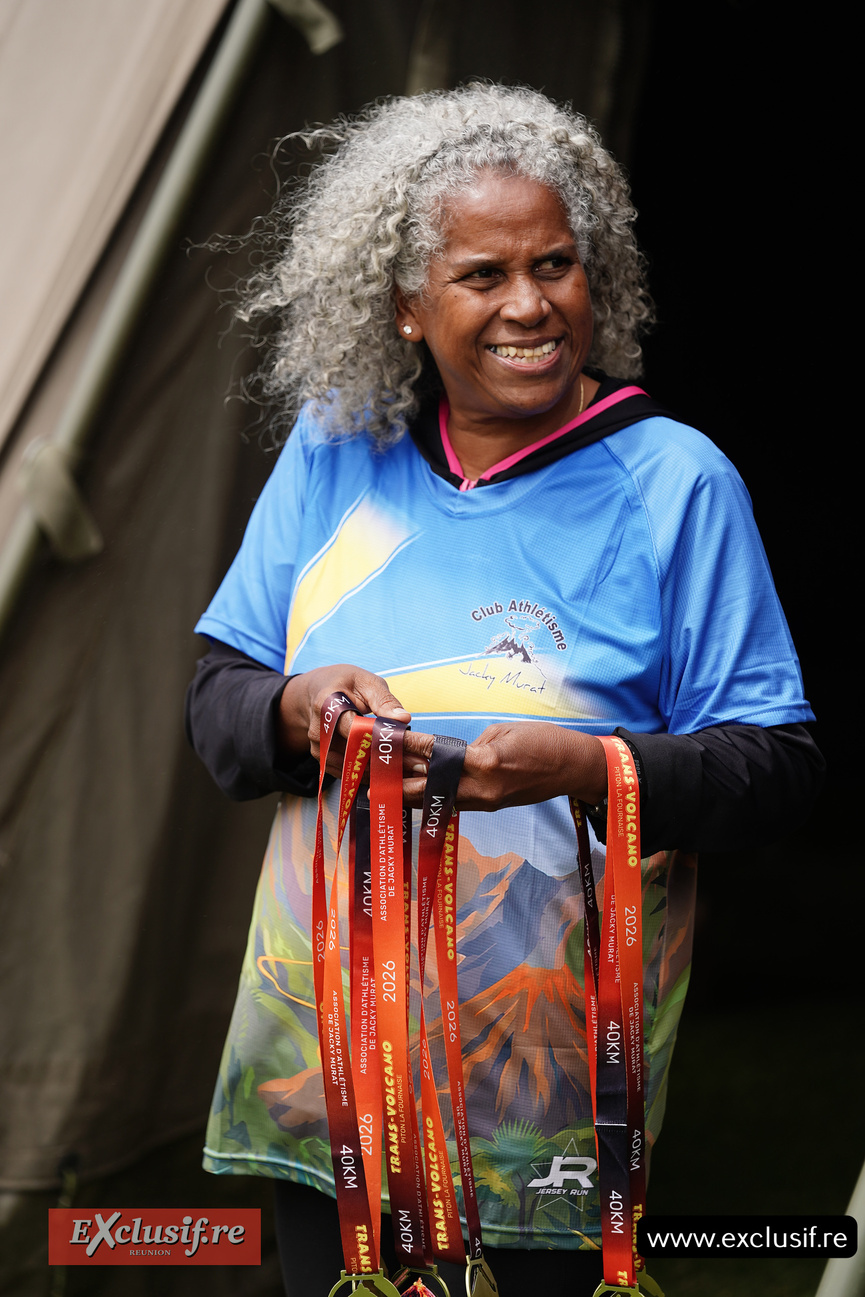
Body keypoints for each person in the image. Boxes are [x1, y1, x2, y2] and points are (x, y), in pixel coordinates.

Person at [186, 84, 822, 1295]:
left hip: (549, 1100)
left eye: (557, 264)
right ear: (405, 308)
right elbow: (217, 701)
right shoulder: (337, 451)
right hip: (326, 1079)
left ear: (600, 276)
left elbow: (778, 768)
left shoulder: (675, 482)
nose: (530, 304)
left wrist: (591, 769)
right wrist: (296, 704)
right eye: (482, 274)